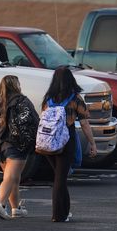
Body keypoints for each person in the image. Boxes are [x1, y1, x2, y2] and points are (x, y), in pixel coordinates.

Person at [41, 67, 97, 222]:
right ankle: (58, 215)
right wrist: (92, 143)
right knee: (60, 178)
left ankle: (65, 211)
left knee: (60, 177)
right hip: (66, 141)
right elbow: (84, 123)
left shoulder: (48, 99)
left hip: (48, 142)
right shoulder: (75, 98)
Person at [0, 75, 38, 220]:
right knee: (11, 177)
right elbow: (34, 120)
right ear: (16, 85)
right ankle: (0, 205)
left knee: (13, 177)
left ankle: (16, 208)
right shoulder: (22, 101)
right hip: (15, 144)